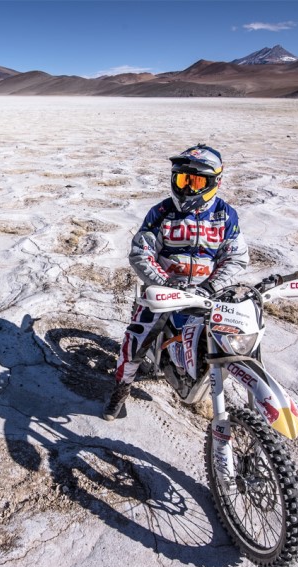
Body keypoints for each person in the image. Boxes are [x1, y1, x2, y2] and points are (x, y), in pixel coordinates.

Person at [103, 144, 249, 421]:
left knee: (224, 341)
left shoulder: (225, 215)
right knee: (135, 342)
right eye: (182, 180)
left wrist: (211, 285)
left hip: (207, 293)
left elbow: (236, 257)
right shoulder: (161, 212)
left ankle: (201, 386)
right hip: (163, 292)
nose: (187, 189)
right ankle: (121, 390)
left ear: (215, 181)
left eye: (195, 181)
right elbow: (140, 253)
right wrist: (166, 283)